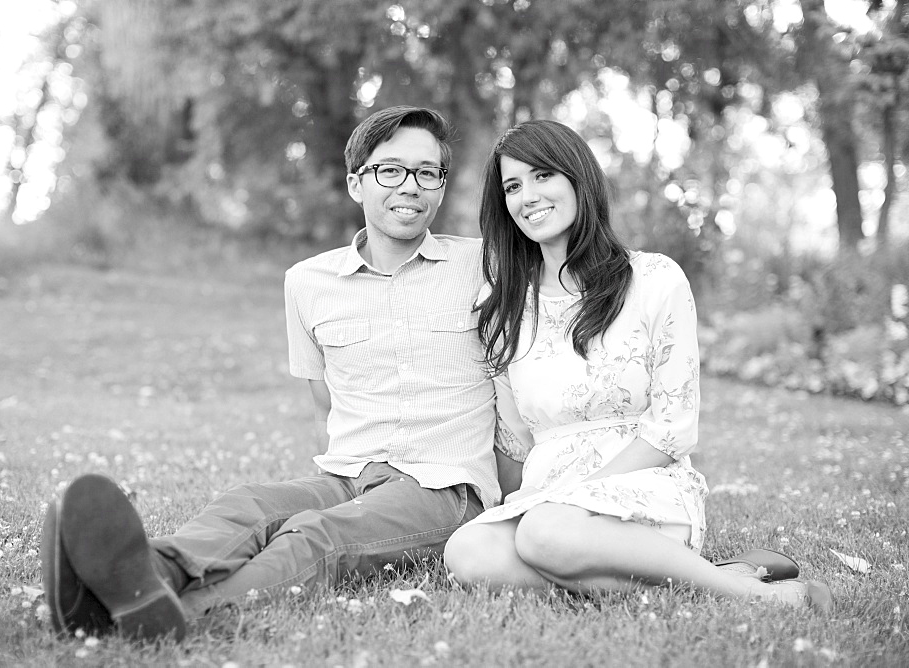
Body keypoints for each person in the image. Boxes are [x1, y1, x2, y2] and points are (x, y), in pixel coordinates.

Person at [40, 107, 800, 643]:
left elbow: (659, 417)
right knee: (251, 503)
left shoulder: (488, 270)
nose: (410, 186)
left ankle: (185, 615)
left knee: (315, 535)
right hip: (354, 466)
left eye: (428, 174)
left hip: (446, 485)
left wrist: (518, 492)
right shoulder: (323, 283)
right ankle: (149, 572)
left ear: (443, 189)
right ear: (356, 181)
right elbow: (323, 394)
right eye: (392, 170)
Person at [442, 119, 833, 613]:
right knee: (469, 551)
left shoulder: (653, 279)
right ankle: (716, 580)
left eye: (542, 176)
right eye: (513, 186)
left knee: (547, 531)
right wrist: (521, 505)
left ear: (577, 178)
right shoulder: (502, 304)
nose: (527, 197)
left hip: (645, 486)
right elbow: (516, 436)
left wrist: (579, 495)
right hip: (550, 497)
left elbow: (673, 428)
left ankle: (753, 597)